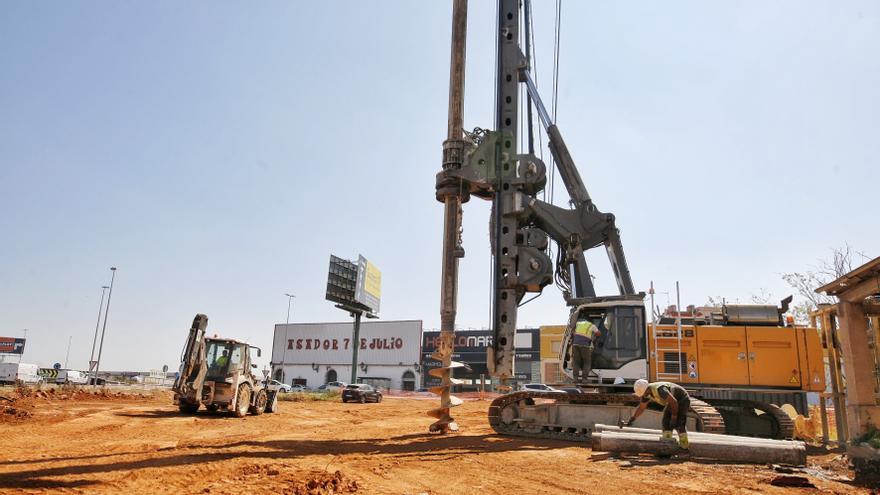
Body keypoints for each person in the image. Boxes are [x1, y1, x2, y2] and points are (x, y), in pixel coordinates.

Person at [624, 379, 691, 449]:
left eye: (644, 393)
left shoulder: (660, 390)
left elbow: (674, 402)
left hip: (683, 399)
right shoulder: (647, 394)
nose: (643, 395)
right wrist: (633, 418)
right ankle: (667, 446)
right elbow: (641, 407)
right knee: (666, 423)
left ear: (647, 389)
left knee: (679, 423)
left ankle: (684, 447)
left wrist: (674, 417)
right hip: (672, 402)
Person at [571, 318, 601, 383]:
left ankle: (575, 379)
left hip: (575, 344)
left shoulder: (578, 324)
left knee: (576, 362)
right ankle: (584, 379)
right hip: (584, 345)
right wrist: (593, 336)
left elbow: (573, 332)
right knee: (587, 362)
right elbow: (598, 333)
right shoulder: (592, 325)